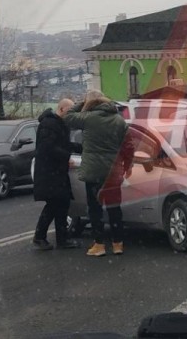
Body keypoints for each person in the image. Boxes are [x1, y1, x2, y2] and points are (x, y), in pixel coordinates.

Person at [64, 90, 128, 257]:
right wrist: (126, 165)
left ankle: (99, 245)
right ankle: (117, 244)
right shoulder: (119, 120)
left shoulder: (89, 118)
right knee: (114, 207)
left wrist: (82, 102)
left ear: (91, 104)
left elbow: (68, 116)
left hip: (94, 172)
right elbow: (128, 145)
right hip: (113, 172)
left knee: (95, 208)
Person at [32, 98, 80, 251]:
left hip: (55, 172)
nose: (71, 114)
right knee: (54, 205)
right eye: (69, 110)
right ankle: (40, 237)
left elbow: (62, 144)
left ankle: (62, 238)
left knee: (62, 204)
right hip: (50, 172)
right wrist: (66, 156)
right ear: (62, 109)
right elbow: (47, 148)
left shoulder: (58, 124)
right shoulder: (49, 124)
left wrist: (82, 148)